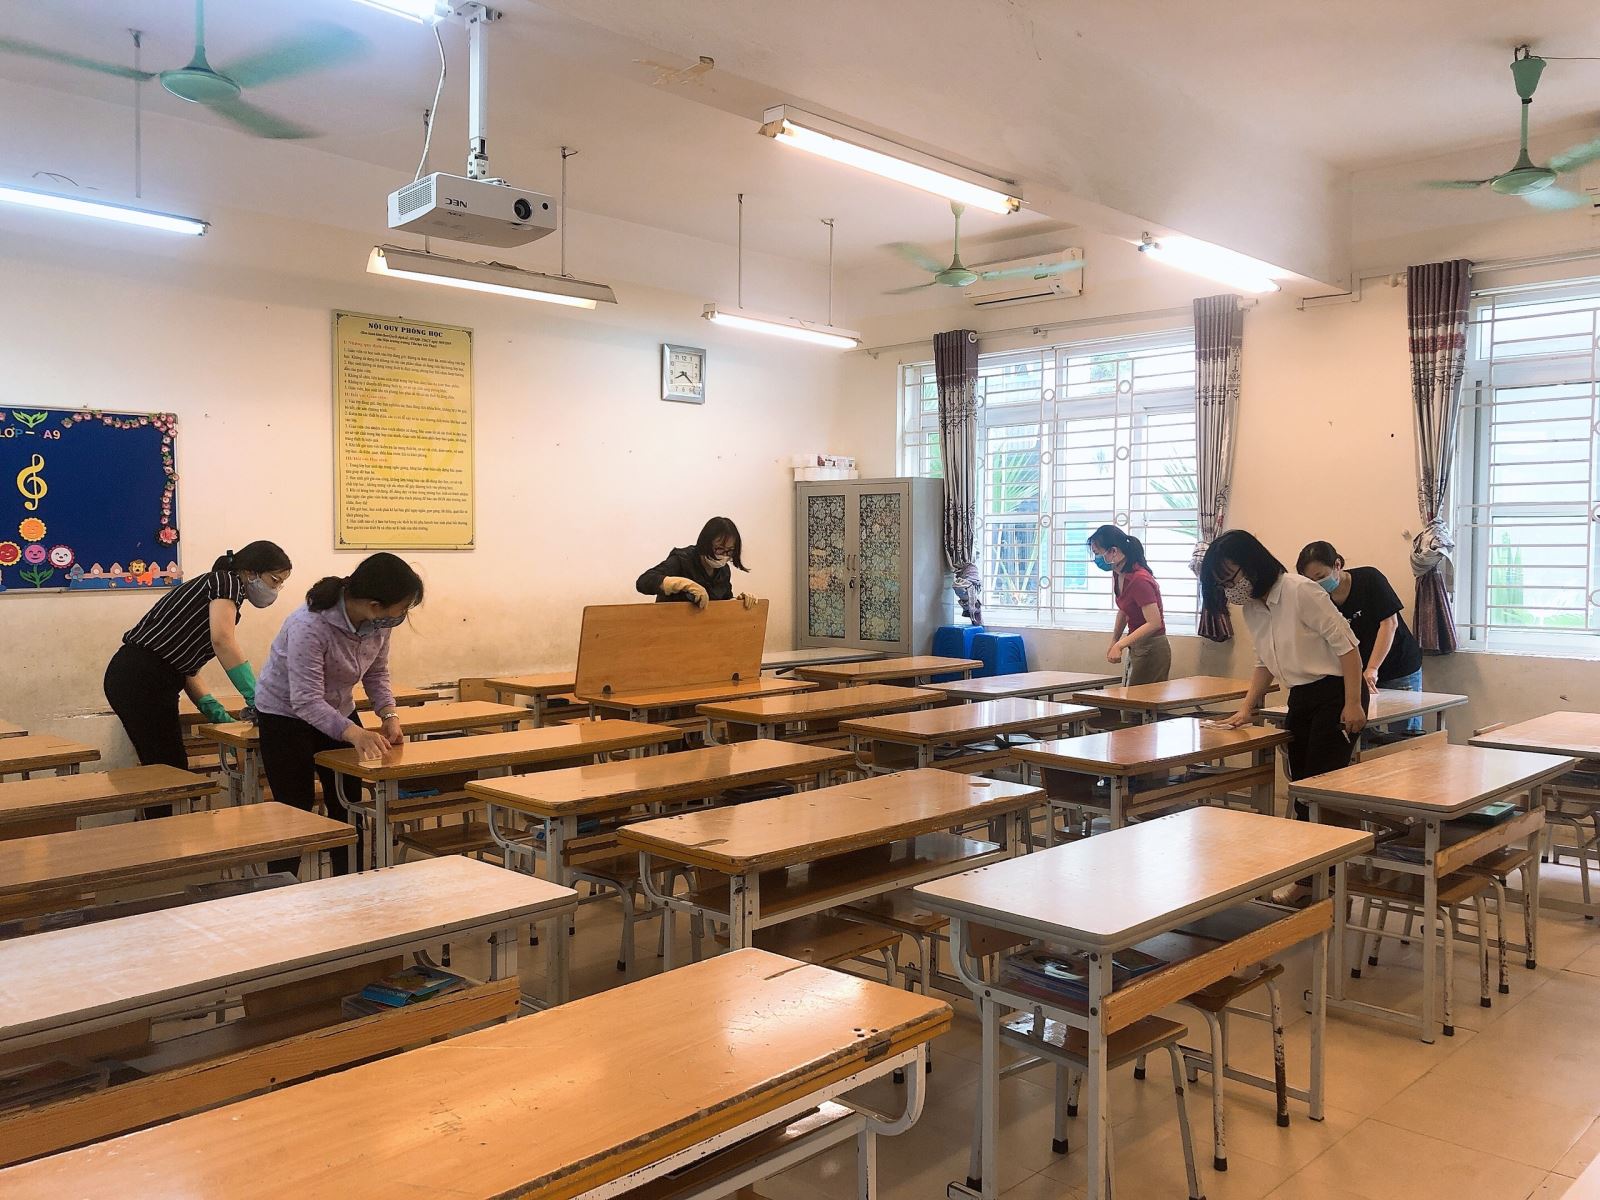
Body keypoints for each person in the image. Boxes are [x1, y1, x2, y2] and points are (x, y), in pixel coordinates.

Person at [255, 553, 423, 876]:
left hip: (338, 711)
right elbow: (305, 701)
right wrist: (355, 733)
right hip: (284, 716)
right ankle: (281, 887)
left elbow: (377, 672)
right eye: (401, 608)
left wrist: (389, 715)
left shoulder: (378, 625)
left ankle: (350, 883)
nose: (402, 616)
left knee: (348, 805)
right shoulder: (309, 626)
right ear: (374, 605)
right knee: (294, 810)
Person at [104, 542, 292, 790]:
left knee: (167, 766)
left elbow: (185, 668)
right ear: (250, 572)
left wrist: (217, 714)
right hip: (140, 677)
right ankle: (164, 815)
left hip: (143, 677)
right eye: (274, 580)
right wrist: (255, 697)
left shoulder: (222, 592)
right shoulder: (226, 582)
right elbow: (223, 641)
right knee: (168, 770)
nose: (275, 589)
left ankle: (164, 813)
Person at [1200, 530, 1367, 788]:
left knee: (1322, 783)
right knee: (1300, 781)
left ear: (1252, 564)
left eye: (1231, 580)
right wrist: (1246, 708)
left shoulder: (1300, 590)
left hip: (1336, 692)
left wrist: (1353, 703)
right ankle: (1305, 814)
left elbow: (1349, 648)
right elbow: (1264, 662)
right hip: (1301, 695)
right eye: (1223, 585)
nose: (1230, 590)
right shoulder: (1252, 608)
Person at [1296, 541, 1426, 734]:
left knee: (1404, 735)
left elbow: (1389, 624)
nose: (1317, 585)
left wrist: (1372, 668)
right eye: (1310, 581)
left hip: (1398, 667)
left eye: (1321, 577)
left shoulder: (1369, 579)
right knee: (1364, 735)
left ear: (1337, 565)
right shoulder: (1318, 599)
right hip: (1359, 674)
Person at [1087, 524, 1170, 686]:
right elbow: (1124, 610)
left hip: (1152, 646)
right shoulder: (1118, 574)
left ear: (1113, 551)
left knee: (1139, 700)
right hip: (1137, 645)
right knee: (1129, 698)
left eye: (1097, 553)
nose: (1096, 559)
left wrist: (1120, 645)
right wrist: (1115, 640)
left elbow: (1154, 623)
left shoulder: (1139, 579)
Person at [636, 516, 749, 608]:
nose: (724, 555)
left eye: (730, 551)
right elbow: (644, 581)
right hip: (670, 623)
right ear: (705, 543)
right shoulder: (682, 560)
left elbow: (724, 601)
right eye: (719, 548)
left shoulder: (723, 570)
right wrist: (683, 584)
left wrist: (738, 602)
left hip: (704, 627)